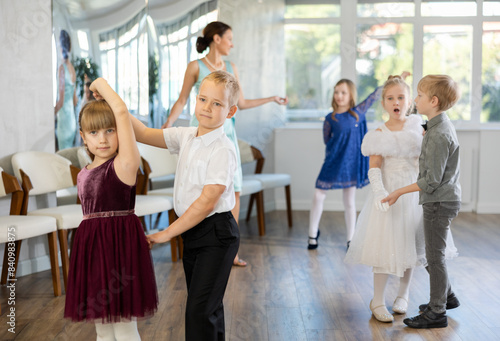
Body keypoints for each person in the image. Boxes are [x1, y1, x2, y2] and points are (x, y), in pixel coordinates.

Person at [162, 21, 288, 267]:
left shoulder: (231, 67)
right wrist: (168, 124)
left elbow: (241, 103)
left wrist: (271, 98)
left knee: (234, 190)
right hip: (201, 132)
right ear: (216, 39)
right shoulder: (195, 67)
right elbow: (182, 100)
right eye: (229, 38)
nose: (232, 43)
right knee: (200, 189)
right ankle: (197, 244)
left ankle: (232, 251)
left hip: (225, 133)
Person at [130, 70, 240, 341]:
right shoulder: (186, 136)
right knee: (206, 309)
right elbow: (142, 133)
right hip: (194, 234)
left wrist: (164, 234)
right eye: (203, 99)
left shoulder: (223, 150)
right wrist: (115, 105)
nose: (207, 107)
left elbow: (205, 204)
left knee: (199, 312)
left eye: (217, 103)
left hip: (217, 235)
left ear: (230, 111)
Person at [344, 75, 458, 323]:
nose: (396, 102)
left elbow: (427, 162)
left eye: (401, 97)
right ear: (383, 103)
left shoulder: (420, 128)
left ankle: (403, 295)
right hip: (389, 194)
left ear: (409, 102)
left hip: (415, 193)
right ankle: (377, 299)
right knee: (385, 247)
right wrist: (379, 193)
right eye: (390, 98)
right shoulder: (378, 134)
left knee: (410, 246)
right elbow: (374, 167)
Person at [64, 78, 158, 340]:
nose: (102, 139)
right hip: (92, 250)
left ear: (120, 130)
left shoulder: (124, 165)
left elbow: (120, 109)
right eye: (94, 133)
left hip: (121, 249)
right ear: (82, 137)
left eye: (110, 131)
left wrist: (100, 85)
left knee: (125, 327)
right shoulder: (83, 173)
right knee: (102, 328)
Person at [382, 75, 462, 329]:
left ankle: (437, 311)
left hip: (438, 201)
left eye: (418, 95)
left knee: (434, 256)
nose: (414, 99)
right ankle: (446, 296)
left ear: (434, 101)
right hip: (439, 200)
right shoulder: (436, 126)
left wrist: (398, 192)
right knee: (425, 250)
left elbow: (431, 181)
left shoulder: (439, 134)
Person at [307, 72, 410, 250]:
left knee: (349, 200)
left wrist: (395, 79)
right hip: (333, 162)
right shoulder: (329, 119)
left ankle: (350, 238)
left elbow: (375, 95)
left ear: (351, 95)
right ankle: (312, 234)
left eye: (343, 92)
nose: (339, 96)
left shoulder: (357, 113)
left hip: (351, 163)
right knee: (318, 195)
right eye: (336, 92)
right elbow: (327, 140)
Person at [54, 29, 77, 151]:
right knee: (68, 154)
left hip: (64, 120)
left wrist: (51, 113)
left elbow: (61, 101)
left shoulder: (62, 69)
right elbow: (75, 101)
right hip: (71, 119)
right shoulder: (72, 68)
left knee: (62, 154)